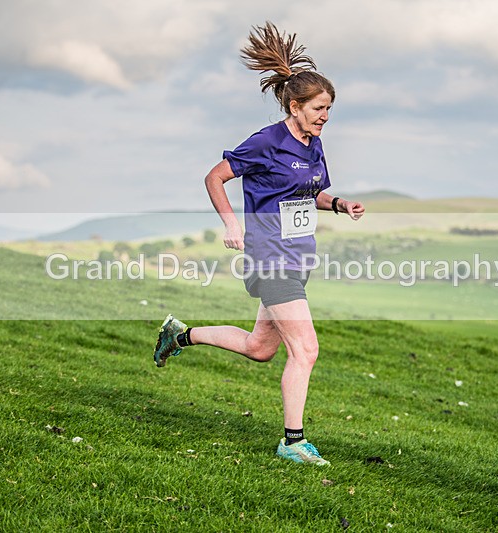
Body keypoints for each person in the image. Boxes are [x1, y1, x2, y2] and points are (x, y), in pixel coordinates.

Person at [152, 21, 365, 466]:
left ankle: (179, 335)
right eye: (319, 108)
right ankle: (292, 441)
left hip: (298, 255)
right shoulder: (267, 142)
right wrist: (231, 224)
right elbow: (215, 177)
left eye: (330, 109)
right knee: (305, 349)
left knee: (260, 348)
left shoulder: (313, 144)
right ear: (294, 105)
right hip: (270, 258)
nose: (325, 116)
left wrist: (339, 203)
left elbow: (308, 193)